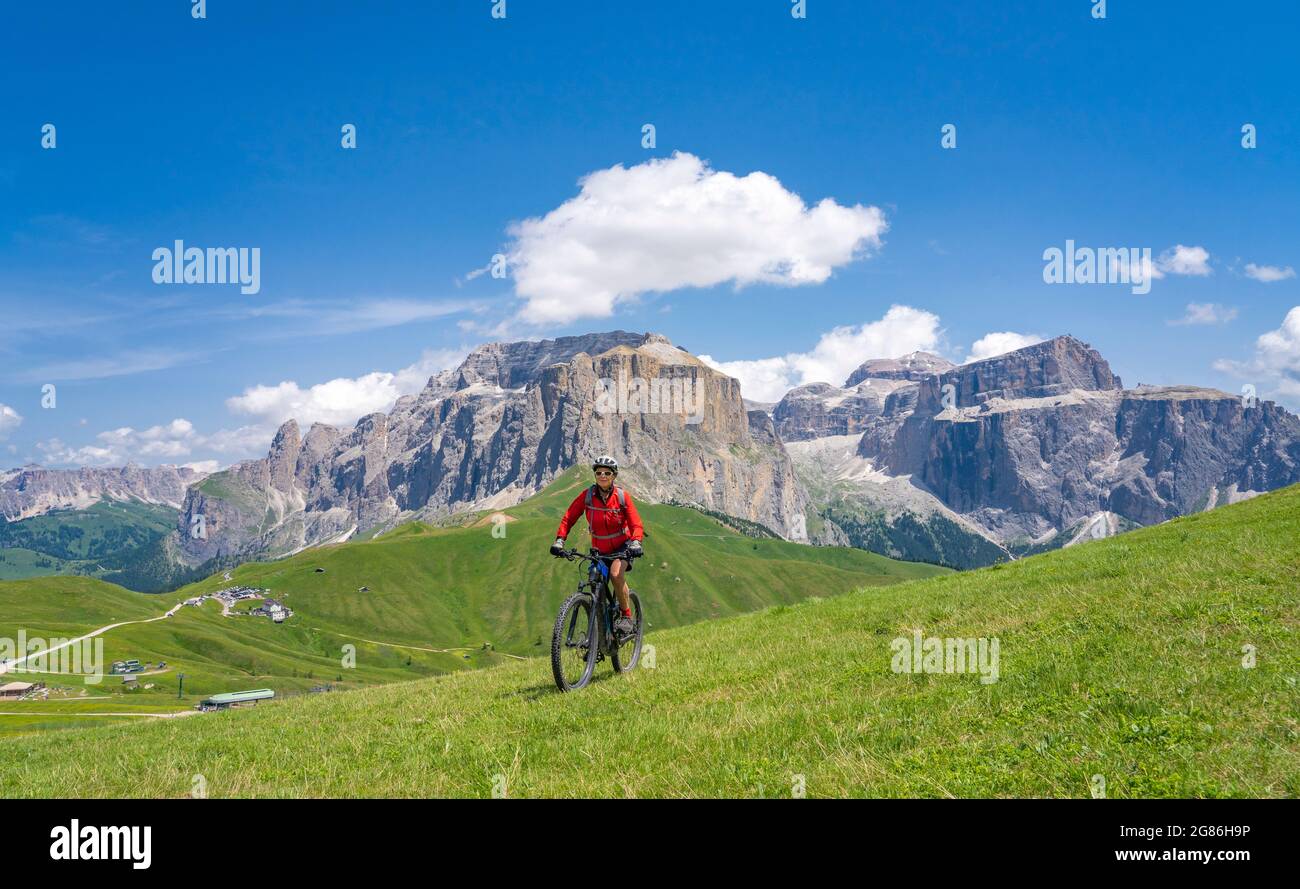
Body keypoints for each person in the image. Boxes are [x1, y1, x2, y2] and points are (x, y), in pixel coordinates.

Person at [551, 455, 644, 637]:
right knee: (594, 581)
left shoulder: (622, 497)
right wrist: (560, 540)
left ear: (614, 476)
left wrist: (636, 542)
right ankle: (598, 637)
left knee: (616, 574)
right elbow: (569, 516)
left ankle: (626, 616)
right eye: (598, 472)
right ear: (594, 474)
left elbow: (636, 523)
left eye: (607, 473)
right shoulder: (587, 496)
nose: (602, 476)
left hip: (621, 548)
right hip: (599, 551)